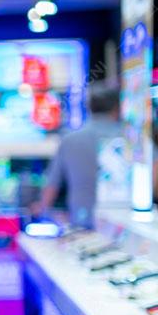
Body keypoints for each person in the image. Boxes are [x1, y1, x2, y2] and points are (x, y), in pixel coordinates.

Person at [34, 85, 123, 228]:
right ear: (117, 108)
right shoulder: (129, 138)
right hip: (123, 225)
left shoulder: (70, 140)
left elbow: (52, 185)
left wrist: (42, 214)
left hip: (82, 221)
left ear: (89, 108)